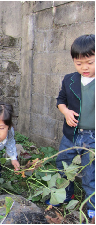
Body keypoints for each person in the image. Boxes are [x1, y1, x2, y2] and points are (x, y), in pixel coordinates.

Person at [46, 34, 95, 220]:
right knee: (64, 165)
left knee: (91, 173)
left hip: (93, 137)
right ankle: (65, 195)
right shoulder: (70, 80)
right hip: (72, 135)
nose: (84, 68)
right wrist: (65, 111)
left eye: (89, 62)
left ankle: (92, 206)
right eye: (79, 63)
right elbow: (60, 100)